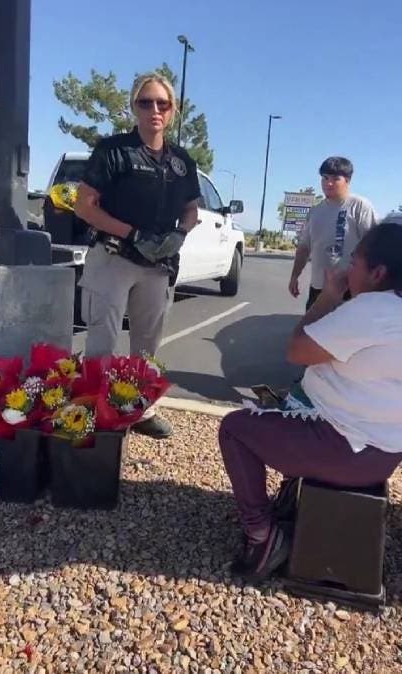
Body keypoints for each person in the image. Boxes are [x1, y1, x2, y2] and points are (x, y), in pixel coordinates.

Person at [218, 216, 402, 581]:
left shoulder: (370, 311)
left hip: (345, 451)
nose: (348, 270)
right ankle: (291, 497)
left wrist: (329, 298)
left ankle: (262, 536)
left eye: (354, 262)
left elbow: (297, 350)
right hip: (381, 453)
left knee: (235, 429)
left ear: (378, 273)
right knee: (282, 408)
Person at [72, 73, 202, 439]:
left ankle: (140, 411)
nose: (154, 110)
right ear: (134, 107)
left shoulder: (182, 161)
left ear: (173, 110)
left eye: (163, 103)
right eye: (146, 102)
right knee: (102, 339)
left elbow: (191, 209)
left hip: (157, 265)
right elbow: (84, 206)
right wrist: (132, 233)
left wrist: (180, 233)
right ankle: (89, 413)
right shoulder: (112, 150)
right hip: (113, 258)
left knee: (147, 343)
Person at [288, 156, 378, 310]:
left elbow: (375, 247)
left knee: (348, 333)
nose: (328, 183)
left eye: (336, 179)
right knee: (311, 331)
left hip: (350, 290)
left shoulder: (360, 207)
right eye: (324, 178)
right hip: (318, 288)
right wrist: (295, 276)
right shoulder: (315, 212)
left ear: (347, 181)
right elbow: (304, 248)